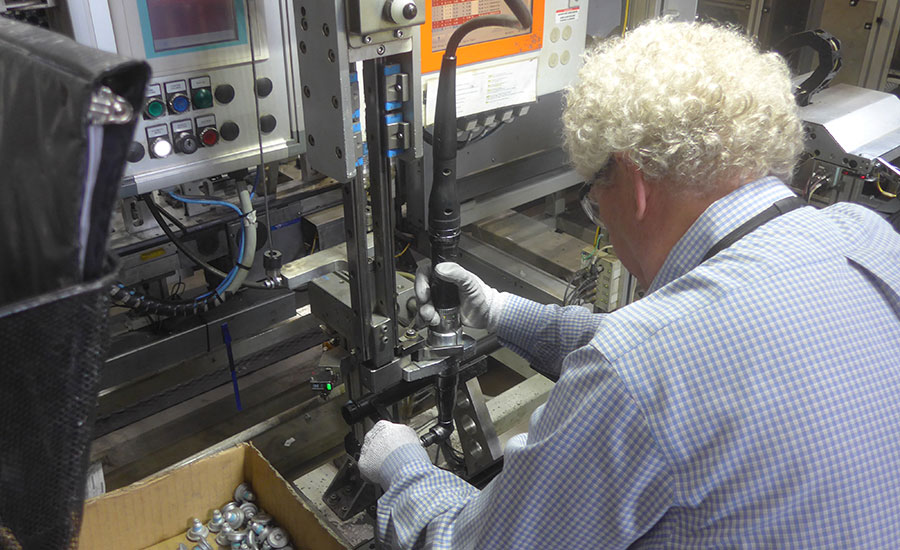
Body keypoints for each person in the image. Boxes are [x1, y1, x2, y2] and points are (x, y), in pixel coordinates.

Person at [358, 20, 900, 549]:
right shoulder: (867, 237)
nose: (603, 222)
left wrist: (402, 465)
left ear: (634, 180)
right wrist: (498, 310)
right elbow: (676, 352)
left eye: (595, 197)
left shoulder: (637, 371)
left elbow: (464, 543)